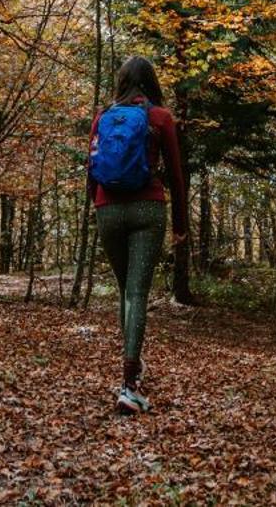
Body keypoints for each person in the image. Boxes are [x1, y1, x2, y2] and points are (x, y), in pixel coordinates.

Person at [85, 55, 189, 415]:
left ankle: (133, 366)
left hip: (107, 210)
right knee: (137, 293)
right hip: (148, 209)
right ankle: (129, 385)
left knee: (125, 292)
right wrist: (180, 224)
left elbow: (91, 170)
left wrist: (96, 208)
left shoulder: (103, 117)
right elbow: (176, 176)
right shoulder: (160, 118)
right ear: (152, 82)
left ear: (122, 81)